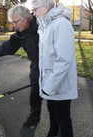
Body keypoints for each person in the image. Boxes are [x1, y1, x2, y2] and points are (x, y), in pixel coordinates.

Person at [0, 5, 42, 127]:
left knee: (55, 102)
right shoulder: (20, 34)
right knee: (35, 95)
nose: (14, 26)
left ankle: (56, 126)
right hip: (36, 67)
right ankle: (35, 115)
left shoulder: (42, 27)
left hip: (51, 69)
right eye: (12, 22)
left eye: (16, 22)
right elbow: (6, 48)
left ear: (26, 18)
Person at [31, 0, 78, 137]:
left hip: (59, 83)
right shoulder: (45, 25)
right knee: (52, 113)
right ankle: (52, 133)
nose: (33, 14)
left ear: (46, 8)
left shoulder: (61, 24)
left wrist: (49, 85)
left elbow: (64, 60)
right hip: (50, 82)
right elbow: (47, 57)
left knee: (63, 119)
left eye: (35, 9)